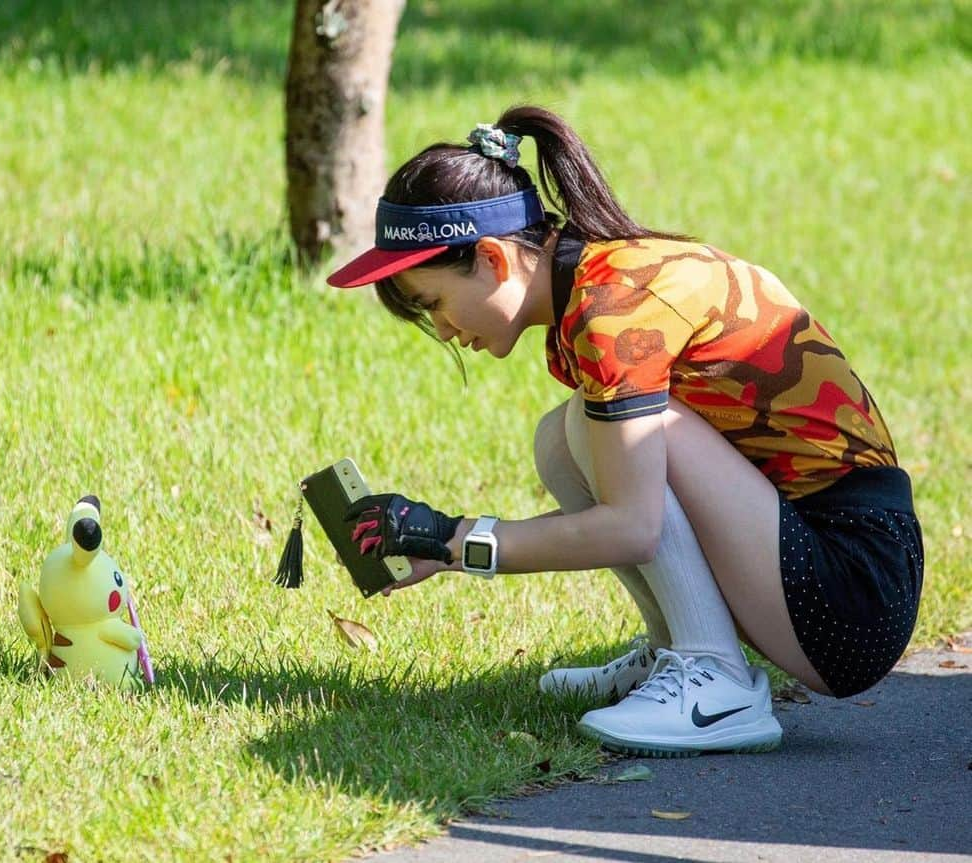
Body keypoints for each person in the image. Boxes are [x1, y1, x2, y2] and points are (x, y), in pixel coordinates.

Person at [325, 105, 923, 757]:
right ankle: (677, 649)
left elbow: (632, 525)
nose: (442, 330)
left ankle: (712, 681)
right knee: (563, 438)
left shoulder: (612, 308)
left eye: (433, 302)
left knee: (596, 429)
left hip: (853, 594)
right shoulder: (597, 279)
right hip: (825, 558)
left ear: (494, 258)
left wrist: (451, 541)